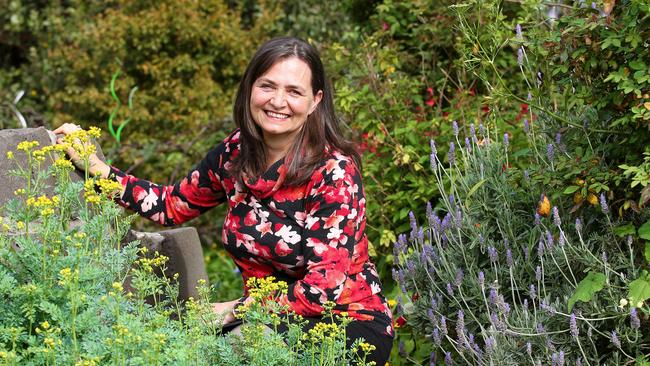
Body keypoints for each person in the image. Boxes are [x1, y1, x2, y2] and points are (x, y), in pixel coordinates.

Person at [54, 36, 393, 364]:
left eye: (294, 91)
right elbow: (171, 206)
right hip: (266, 321)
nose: (278, 101)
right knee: (164, 349)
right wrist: (98, 169)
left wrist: (234, 311)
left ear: (315, 101)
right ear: (250, 89)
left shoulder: (334, 173)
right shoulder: (236, 152)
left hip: (346, 325)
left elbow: (322, 291)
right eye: (267, 86)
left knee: (231, 350)